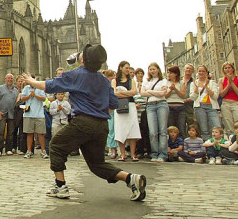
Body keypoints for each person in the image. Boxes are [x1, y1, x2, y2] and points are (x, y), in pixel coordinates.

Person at [21, 44, 146, 201]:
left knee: (56, 146)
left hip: (83, 122)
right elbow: (113, 104)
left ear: (83, 60)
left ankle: (60, 186)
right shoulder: (104, 80)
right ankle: (130, 178)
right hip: (101, 125)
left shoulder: (76, 75)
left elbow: (49, 86)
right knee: (97, 164)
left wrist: (31, 81)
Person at [112, 61, 141, 161]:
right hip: (119, 106)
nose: (128, 70)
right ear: (121, 68)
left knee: (133, 129)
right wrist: (127, 93)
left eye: (129, 68)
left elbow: (134, 92)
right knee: (120, 129)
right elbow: (114, 93)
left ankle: (133, 154)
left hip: (131, 105)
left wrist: (122, 93)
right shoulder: (114, 80)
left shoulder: (131, 81)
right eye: (126, 68)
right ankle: (123, 154)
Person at [141, 62, 169, 162]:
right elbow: (142, 93)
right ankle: (154, 153)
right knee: (152, 132)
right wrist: (154, 93)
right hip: (150, 106)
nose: (152, 71)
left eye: (154, 69)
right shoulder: (146, 81)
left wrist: (150, 92)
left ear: (158, 70)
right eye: (150, 69)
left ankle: (163, 154)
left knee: (162, 131)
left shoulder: (163, 80)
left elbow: (163, 93)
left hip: (161, 104)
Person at [20, 73, 47, 159]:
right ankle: (29, 151)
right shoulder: (26, 88)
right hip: (28, 114)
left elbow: (44, 98)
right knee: (29, 134)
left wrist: (35, 95)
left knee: (41, 134)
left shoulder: (40, 87)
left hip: (39, 114)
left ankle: (43, 151)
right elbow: (22, 98)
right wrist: (29, 95)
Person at [190, 65, 221, 141]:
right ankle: (208, 147)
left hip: (211, 106)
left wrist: (206, 86)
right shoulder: (193, 83)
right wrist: (197, 87)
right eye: (199, 71)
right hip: (199, 107)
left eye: (203, 71)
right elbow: (192, 97)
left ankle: (218, 145)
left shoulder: (212, 83)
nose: (201, 73)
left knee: (217, 127)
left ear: (206, 73)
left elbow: (215, 96)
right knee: (204, 129)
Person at [0, 73, 19, 156]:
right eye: (8, 78)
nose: (10, 80)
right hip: (2, 112)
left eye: (11, 78)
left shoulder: (16, 90)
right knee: (0, 132)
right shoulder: (0, 88)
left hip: (12, 113)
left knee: (10, 133)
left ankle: (8, 149)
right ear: (5, 79)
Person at [218, 62, 238, 132]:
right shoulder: (221, 80)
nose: (227, 70)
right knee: (228, 125)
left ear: (232, 69)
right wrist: (228, 86)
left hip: (237, 103)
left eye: (229, 68)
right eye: (225, 68)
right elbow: (221, 94)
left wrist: (232, 83)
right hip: (225, 104)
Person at [132, 68, 151, 158]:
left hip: (145, 111)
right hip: (136, 112)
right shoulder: (133, 84)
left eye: (141, 73)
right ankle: (139, 150)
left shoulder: (146, 83)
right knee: (138, 132)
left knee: (146, 131)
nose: (140, 75)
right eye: (138, 73)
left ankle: (147, 149)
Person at [164, 66, 186, 138]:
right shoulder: (166, 82)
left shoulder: (181, 82)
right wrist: (170, 90)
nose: (169, 74)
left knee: (181, 128)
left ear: (176, 74)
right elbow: (165, 96)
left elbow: (183, 95)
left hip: (180, 107)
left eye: (171, 73)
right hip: (169, 107)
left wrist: (175, 89)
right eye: (168, 72)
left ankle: (181, 145)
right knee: (170, 128)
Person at [181, 64, 196, 132]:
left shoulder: (194, 81)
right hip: (180, 105)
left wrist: (187, 100)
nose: (188, 70)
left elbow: (196, 93)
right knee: (181, 124)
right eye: (187, 68)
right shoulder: (179, 80)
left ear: (193, 71)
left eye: (190, 69)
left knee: (191, 123)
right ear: (184, 69)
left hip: (190, 105)